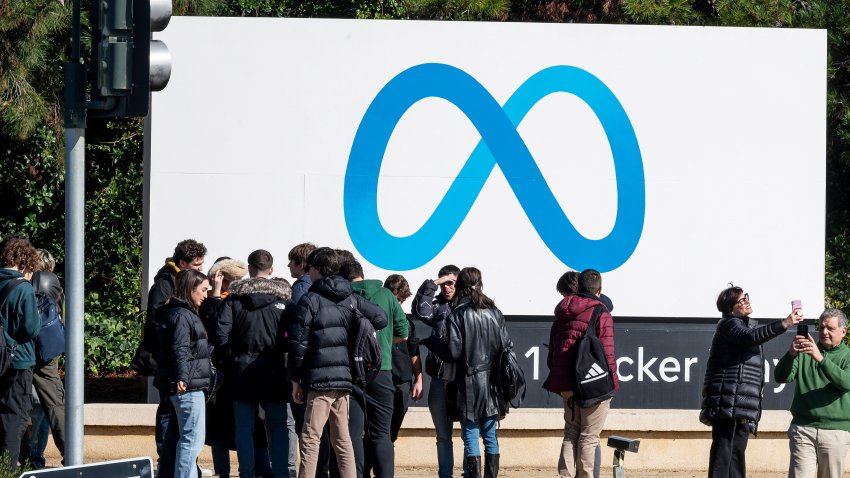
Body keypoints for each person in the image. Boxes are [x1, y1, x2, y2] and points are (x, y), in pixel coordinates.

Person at [288, 247, 387, 478]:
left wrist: (295, 379)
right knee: (342, 438)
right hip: (343, 378)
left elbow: (298, 345)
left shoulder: (309, 299)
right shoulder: (350, 297)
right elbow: (380, 318)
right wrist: (355, 332)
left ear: (317, 269)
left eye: (310, 268)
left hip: (319, 380)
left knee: (311, 438)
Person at [700, 285, 803, 478]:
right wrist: (786, 322)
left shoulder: (743, 325)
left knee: (736, 456)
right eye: (741, 300)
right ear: (731, 308)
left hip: (739, 404)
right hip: (727, 404)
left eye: (746, 297)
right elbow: (750, 338)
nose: (747, 301)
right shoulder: (728, 324)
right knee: (723, 457)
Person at [423, 267, 511, 478]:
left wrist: (432, 343)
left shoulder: (458, 315)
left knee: (470, 433)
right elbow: (505, 347)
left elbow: (453, 352)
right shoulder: (495, 313)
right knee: (490, 434)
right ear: (480, 284)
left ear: (461, 286)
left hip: (468, 383)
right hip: (491, 383)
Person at [214, 250, 292, 478]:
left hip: (241, 370)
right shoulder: (284, 301)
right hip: (275, 369)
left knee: (244, 428)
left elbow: (220, 336)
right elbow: (294, 335)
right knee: (278, 427)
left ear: (249, 269)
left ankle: (246, 473)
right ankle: (281, 473)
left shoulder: (233, 301)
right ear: (271, 270)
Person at [134, 239, 207, 478]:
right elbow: (171, 338)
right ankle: (177, 468)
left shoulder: (181, 298)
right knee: (178, 428)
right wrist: (182, 374)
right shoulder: (166, 288)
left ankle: (177, 468)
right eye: (195, 265)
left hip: (177, 371)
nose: (199, 269)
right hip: (175, 373)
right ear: (182, 263)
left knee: (181, 431)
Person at [543, 269, 618, 478]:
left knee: (571, 433)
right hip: (592, 383)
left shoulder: (561, 313)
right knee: (589, 437)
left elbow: (553, 354)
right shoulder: (601, 312)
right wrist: (613, 382)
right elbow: (607, 353)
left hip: (566, 384)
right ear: (599, 290)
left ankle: (565, 476)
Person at [341, 260, 408, 478]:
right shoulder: (386, 295)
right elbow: (404, 331)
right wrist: (384, 343)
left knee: (352, 435)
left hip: (351, 372)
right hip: (382, 370)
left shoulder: (341, 296)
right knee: (381, 434)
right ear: (362, 274)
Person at [774, 308, 850, 478]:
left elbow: (846, 382)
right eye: (822, 327)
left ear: (843, 331)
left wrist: (821, 359)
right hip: (803, 428)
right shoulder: (803, 353)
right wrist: (791, 354)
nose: (824, 332)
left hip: (835, 431)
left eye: (830, 328)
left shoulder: (847, 356)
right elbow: (780, 377)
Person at [157, 269, 213, 478]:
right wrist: (183, 377)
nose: (205, 295)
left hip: (185, 382)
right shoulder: (182, 315)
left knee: (179, 438)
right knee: (192, 439)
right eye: (203, 290)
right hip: (188, 386)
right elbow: (180, 349)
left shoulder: (177, 312)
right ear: (190, 289)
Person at [411, 264, 459, 478]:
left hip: (462, 379)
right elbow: (419, 309)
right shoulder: (437, 306)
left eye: (452, 283)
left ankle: (470, 473)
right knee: (443, 435)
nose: (448, 288)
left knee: (469, 434)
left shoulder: (468, 306)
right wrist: (435, 283)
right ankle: (445, 474)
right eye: (445, 284)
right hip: (439, 378)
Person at [0, 234, 41, 471]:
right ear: (24, 259)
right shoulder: (23, 289)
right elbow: (31, 328)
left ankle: (26, 465)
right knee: (15, 417)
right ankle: (8, 471)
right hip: (18, 362)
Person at [382, 274, 423, 444]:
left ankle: (384, 464)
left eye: (400, 301)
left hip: (402, 381)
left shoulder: (407, 323)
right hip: (381, 378)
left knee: (393, 429)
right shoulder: (377, 319)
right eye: (395, 299)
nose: (397, 305)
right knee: (377, 427)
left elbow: (414, 352)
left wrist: (419, 379)